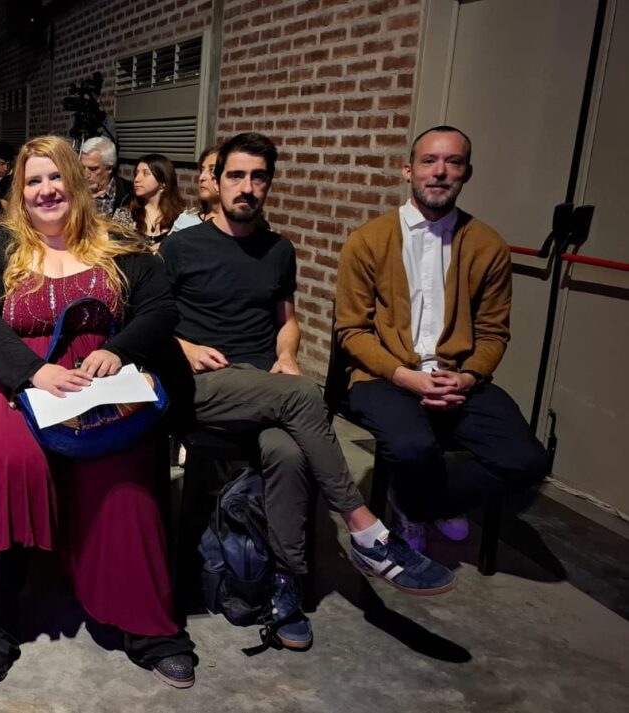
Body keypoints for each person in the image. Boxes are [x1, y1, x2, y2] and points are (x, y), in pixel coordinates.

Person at [163, 132, 456, 650]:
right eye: (236, 175)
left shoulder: (279, 250)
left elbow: (287, 320)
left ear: (269, 184)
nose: (247, 187)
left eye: (258, 177)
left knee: (289, 451)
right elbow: (151, 321)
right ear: (216, 180)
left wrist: (288, 355)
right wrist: (183, 347)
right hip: (202, 383)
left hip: (265, 385)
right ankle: (368, 532)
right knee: (304, 395)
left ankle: (285, 583)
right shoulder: (181, 246)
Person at [0, 135, 196, 689]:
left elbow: (160, 308)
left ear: (77, 182)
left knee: (125, 470)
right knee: (5, 461)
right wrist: (32, 372)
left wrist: (120, 349)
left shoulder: (117, 242)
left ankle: (149, 626)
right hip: (15, 375)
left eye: (55, 176)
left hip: (98, 378)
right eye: (33, 181)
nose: (45, 190)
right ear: (20, 191)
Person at [336, 125, 548, 552]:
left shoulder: (488, 245)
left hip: (457, 377)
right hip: (385, 376)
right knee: (412, 448)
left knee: (528, 462)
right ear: (408, 170)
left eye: (453, 162)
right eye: (429, 161)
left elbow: (493, 333)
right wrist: (404, 377)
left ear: (467, 172)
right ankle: (422, 499)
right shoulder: (367, 240)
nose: (440, 171)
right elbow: (351, 331)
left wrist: (467, 377)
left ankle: (420, 501)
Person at [114, 153, 184, 248]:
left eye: (146, 173)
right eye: (136, 173)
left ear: (162, 182)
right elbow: (115, 249)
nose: (137, 179)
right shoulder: (125, 214)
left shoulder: (179, 218)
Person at [171, 145, 220, 232]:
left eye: (212, 170)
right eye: (202, 170)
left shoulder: (241, 225)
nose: (201, 177)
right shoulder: (187, 220)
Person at [79, 136, 131, 218]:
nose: (85, 174)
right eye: (82, 168)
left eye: (93, 169)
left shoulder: (129, 193)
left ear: (109, 168)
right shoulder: (72, 190)